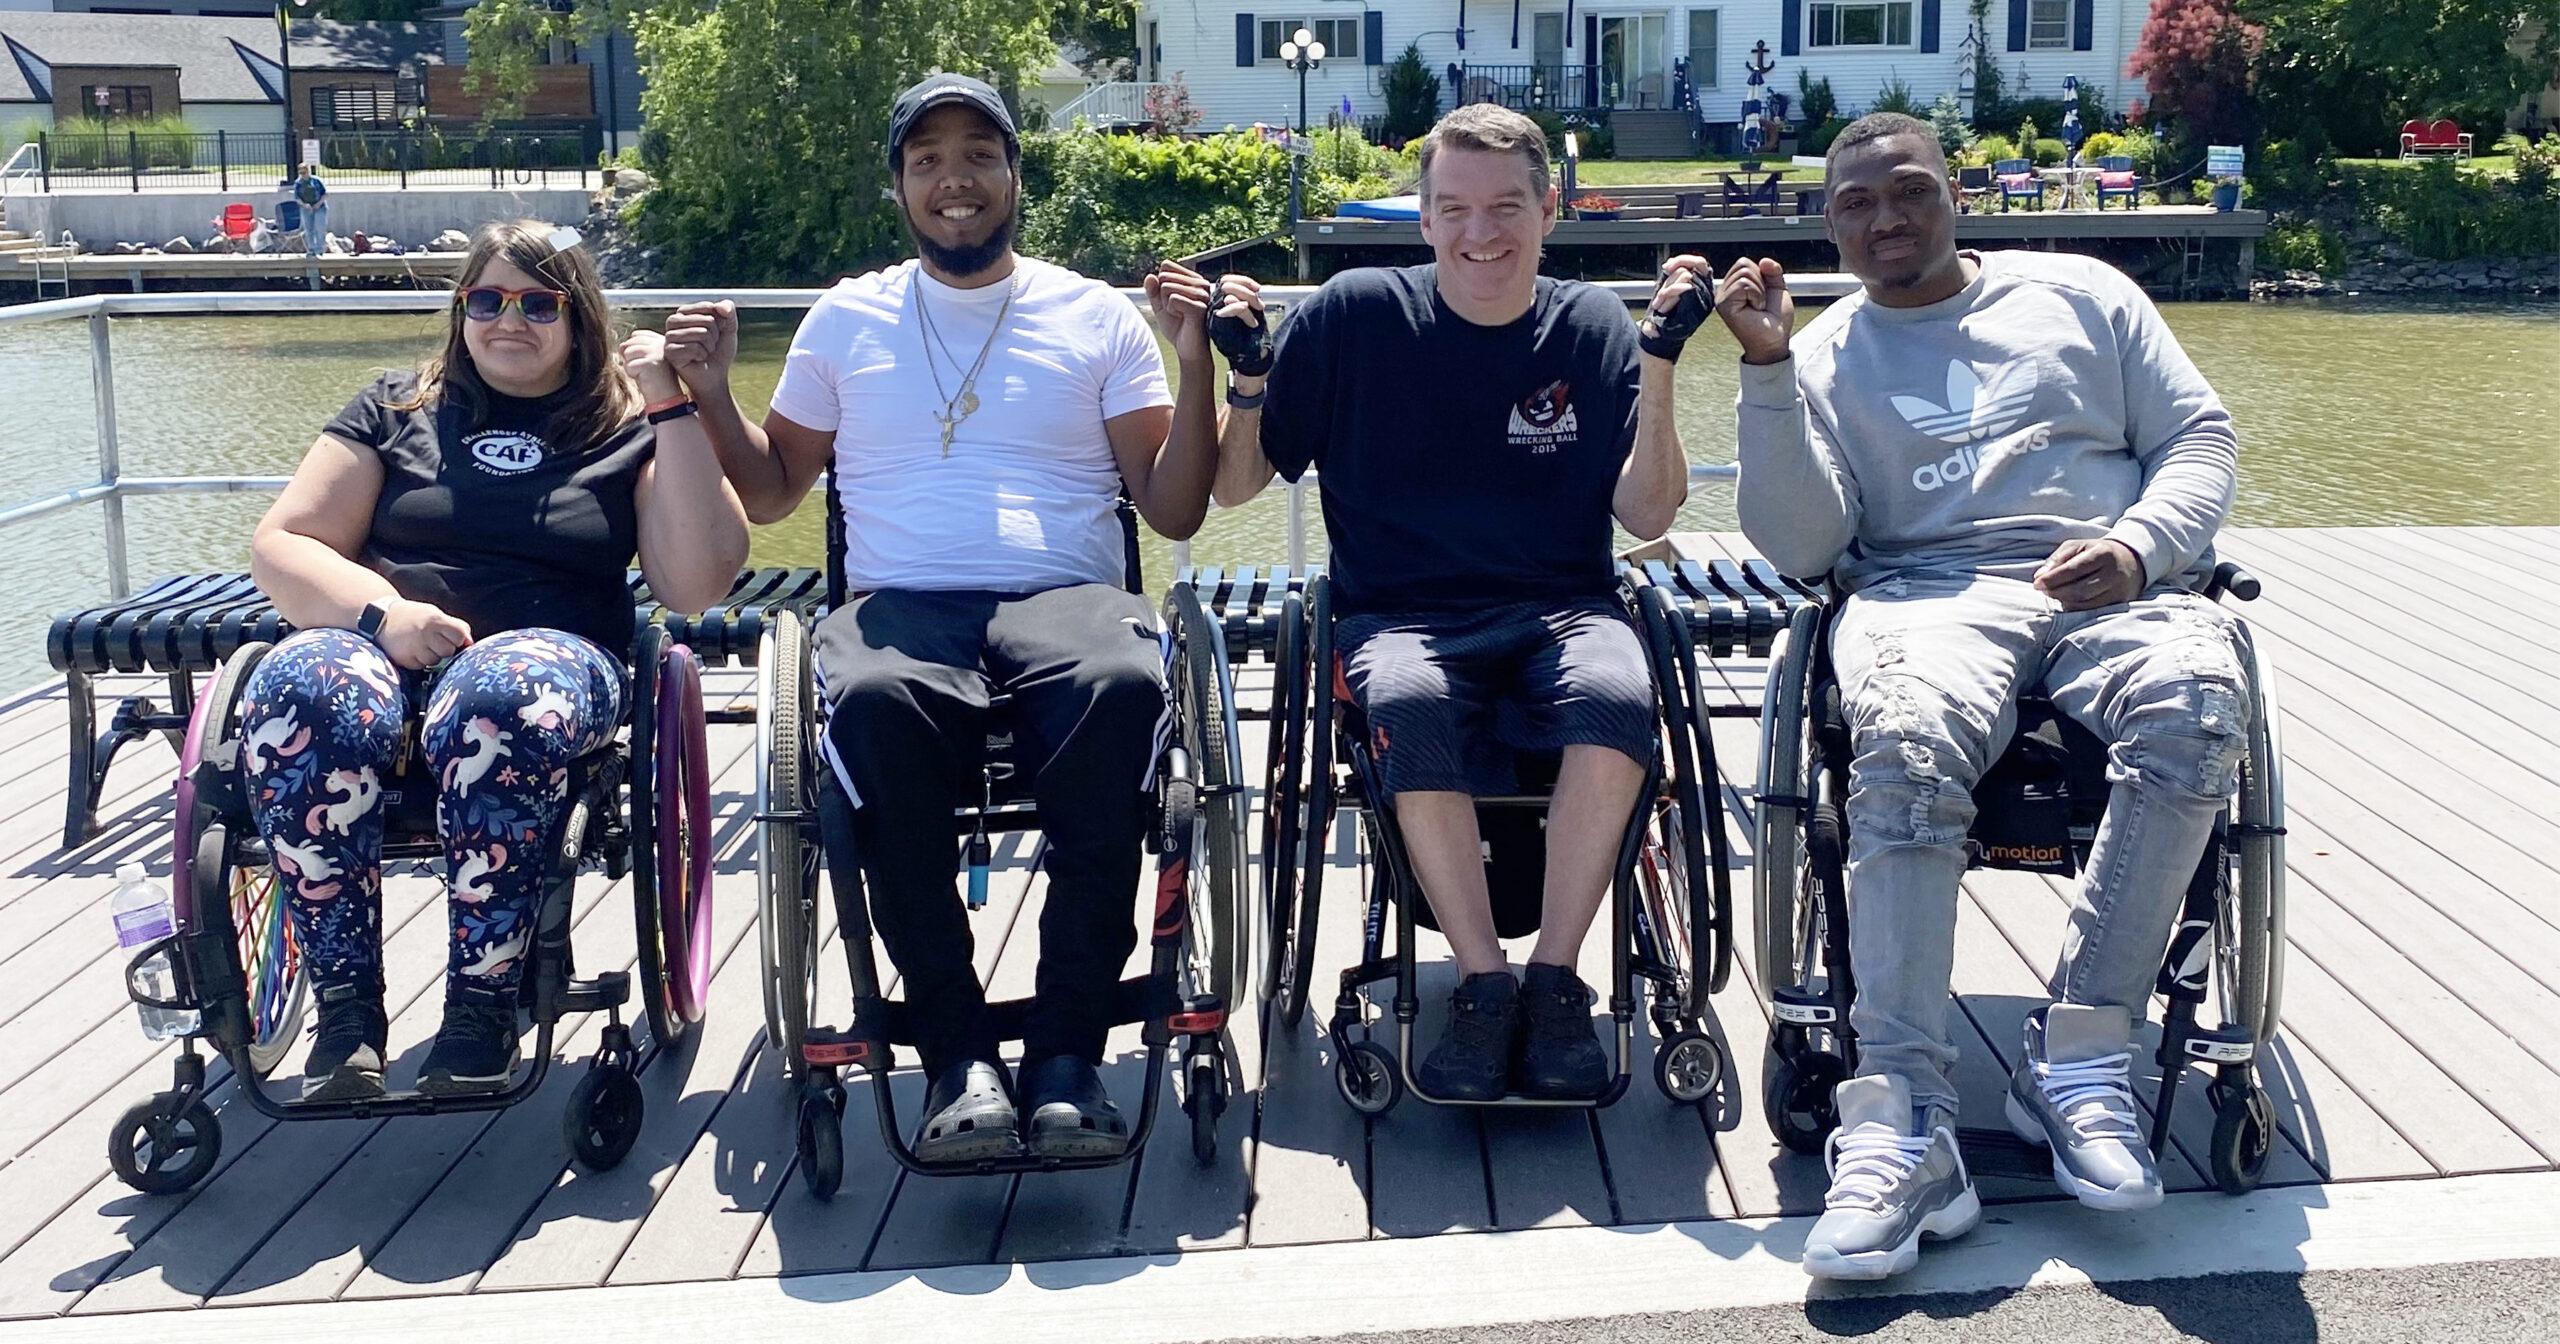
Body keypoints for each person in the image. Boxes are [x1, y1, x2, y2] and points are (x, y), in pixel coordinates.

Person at [1717, 112, 2246, 1280]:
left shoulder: (2084, 294)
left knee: (2200, 705)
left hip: (2106, 578)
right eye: (1855, 203)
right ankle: (1904, 1116)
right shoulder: (1815, 355)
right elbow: (1806, 546)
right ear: (1829, 223)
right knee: (1898, 746)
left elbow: (2198, 438)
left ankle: (2079, 1052)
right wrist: (1763, 371)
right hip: (1924, 594)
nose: (1885, 218)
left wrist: (2142, 544)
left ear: (1955, 195)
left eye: (1908, 191)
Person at [660, 73, 1222, 1163]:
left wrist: (1194, 363)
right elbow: (774, 492)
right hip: (903, 602)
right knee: (870, 702)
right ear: (900, 187)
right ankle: (957, 1055)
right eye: (927, 161)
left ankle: (1065, 1053)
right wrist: (715, 390)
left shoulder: (1096, 314)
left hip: (1066, 594)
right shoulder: (845, 315)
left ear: (1015, 174)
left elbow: (1172, 504)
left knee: (1119, 688)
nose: (954, 180)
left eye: (978, 155)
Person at [1207, 103, 1696, 1102]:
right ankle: (1483, 983)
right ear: (1423, 218)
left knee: (1616, 691)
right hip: (1398, 613)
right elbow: (1235, 488)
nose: (1482, 232)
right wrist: (1248, 375)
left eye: (1506, 207)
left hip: (1564, 605)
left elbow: (1647, 514)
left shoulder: (1592, 324)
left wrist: (1659, 357)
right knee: (1406, 703)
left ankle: (1554, 982)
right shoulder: (1352, 314)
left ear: (1546, 210)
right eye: (1455, 208)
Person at [241, 220, 749, 1100]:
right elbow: (282, 543)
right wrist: (384, 614)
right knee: (295, 689)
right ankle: (346, 1015)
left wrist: (670, 402)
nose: (508, 319)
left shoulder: (625, 426)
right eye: (487, 299)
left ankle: (482, 1007)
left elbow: (697, 581)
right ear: (461, 308)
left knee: (500, 699)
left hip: (553, 659)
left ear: (578, 315)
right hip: (385, 651)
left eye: (537, 303)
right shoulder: (394, 410)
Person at [291, 165, 329, 257]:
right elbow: (297, 198)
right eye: (300, 173)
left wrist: (318, 204)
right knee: (309, 229)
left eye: (304, 173)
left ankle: (320, 249)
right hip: (306, 208)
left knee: (320, 228)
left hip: (319, 207)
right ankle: (311, 249)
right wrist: (305, 205)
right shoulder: (298, 183)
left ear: (308, 171)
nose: (302, 175)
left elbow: (325, 194)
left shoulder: (316, 181)